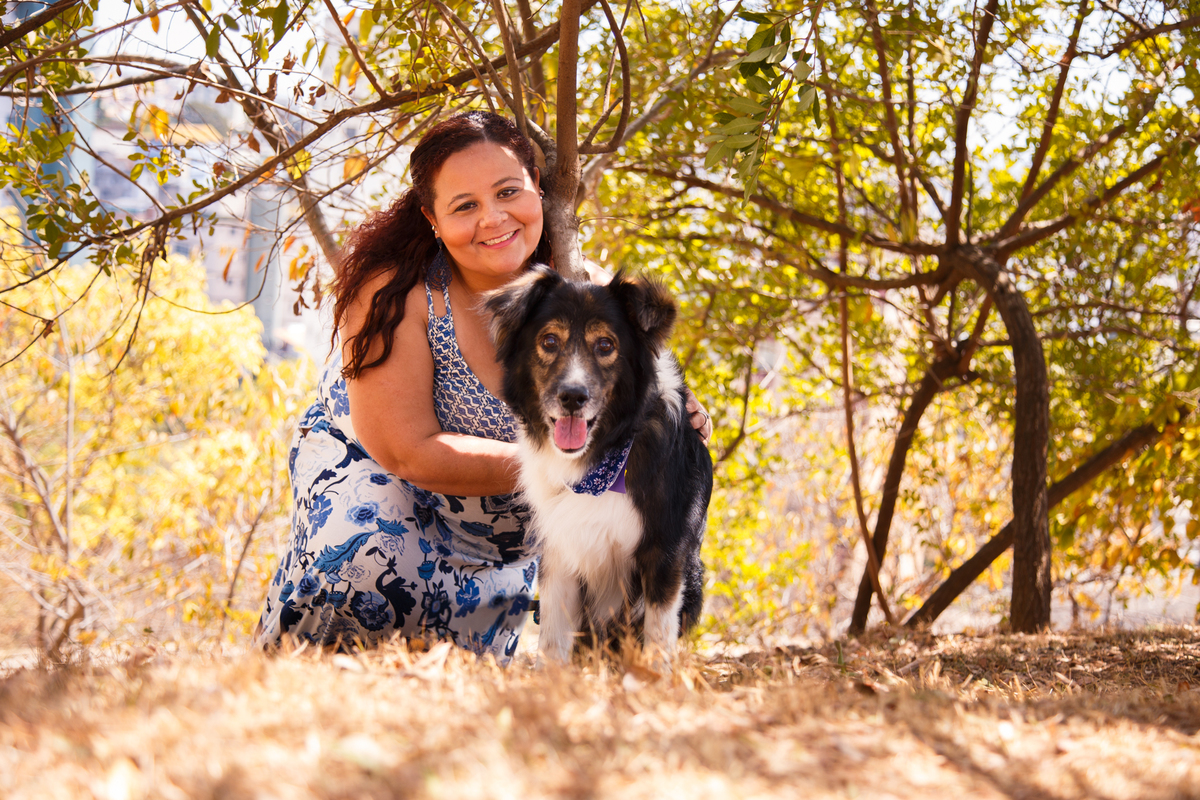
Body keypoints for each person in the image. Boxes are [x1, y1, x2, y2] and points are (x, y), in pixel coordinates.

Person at [254, 111, 711, 661]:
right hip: (385, 485)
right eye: (465, 206)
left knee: (467, 659)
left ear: (538, 188)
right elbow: (407, 451)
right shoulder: (394, 294)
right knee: (365, 564)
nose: (493, 219)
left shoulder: (577, 281)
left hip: (505, 524)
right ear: (431, 218)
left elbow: (636, 384)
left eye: (508, 192)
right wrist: (562, 463)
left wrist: (672, 412)